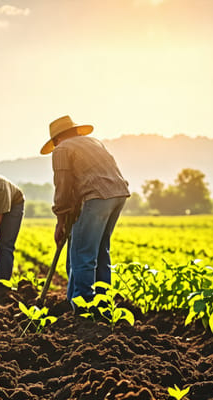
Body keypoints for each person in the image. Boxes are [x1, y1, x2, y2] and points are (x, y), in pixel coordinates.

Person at [40, 115, 131, 306]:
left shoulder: (62, 149)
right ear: (75, 131)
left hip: (96, 198)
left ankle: (83, 306)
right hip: (118, 195)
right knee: (100, 251)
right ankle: (103, 302)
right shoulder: (94, 142)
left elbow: (63, 186)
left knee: (82, 253)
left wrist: (61, 221)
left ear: (56, 139)